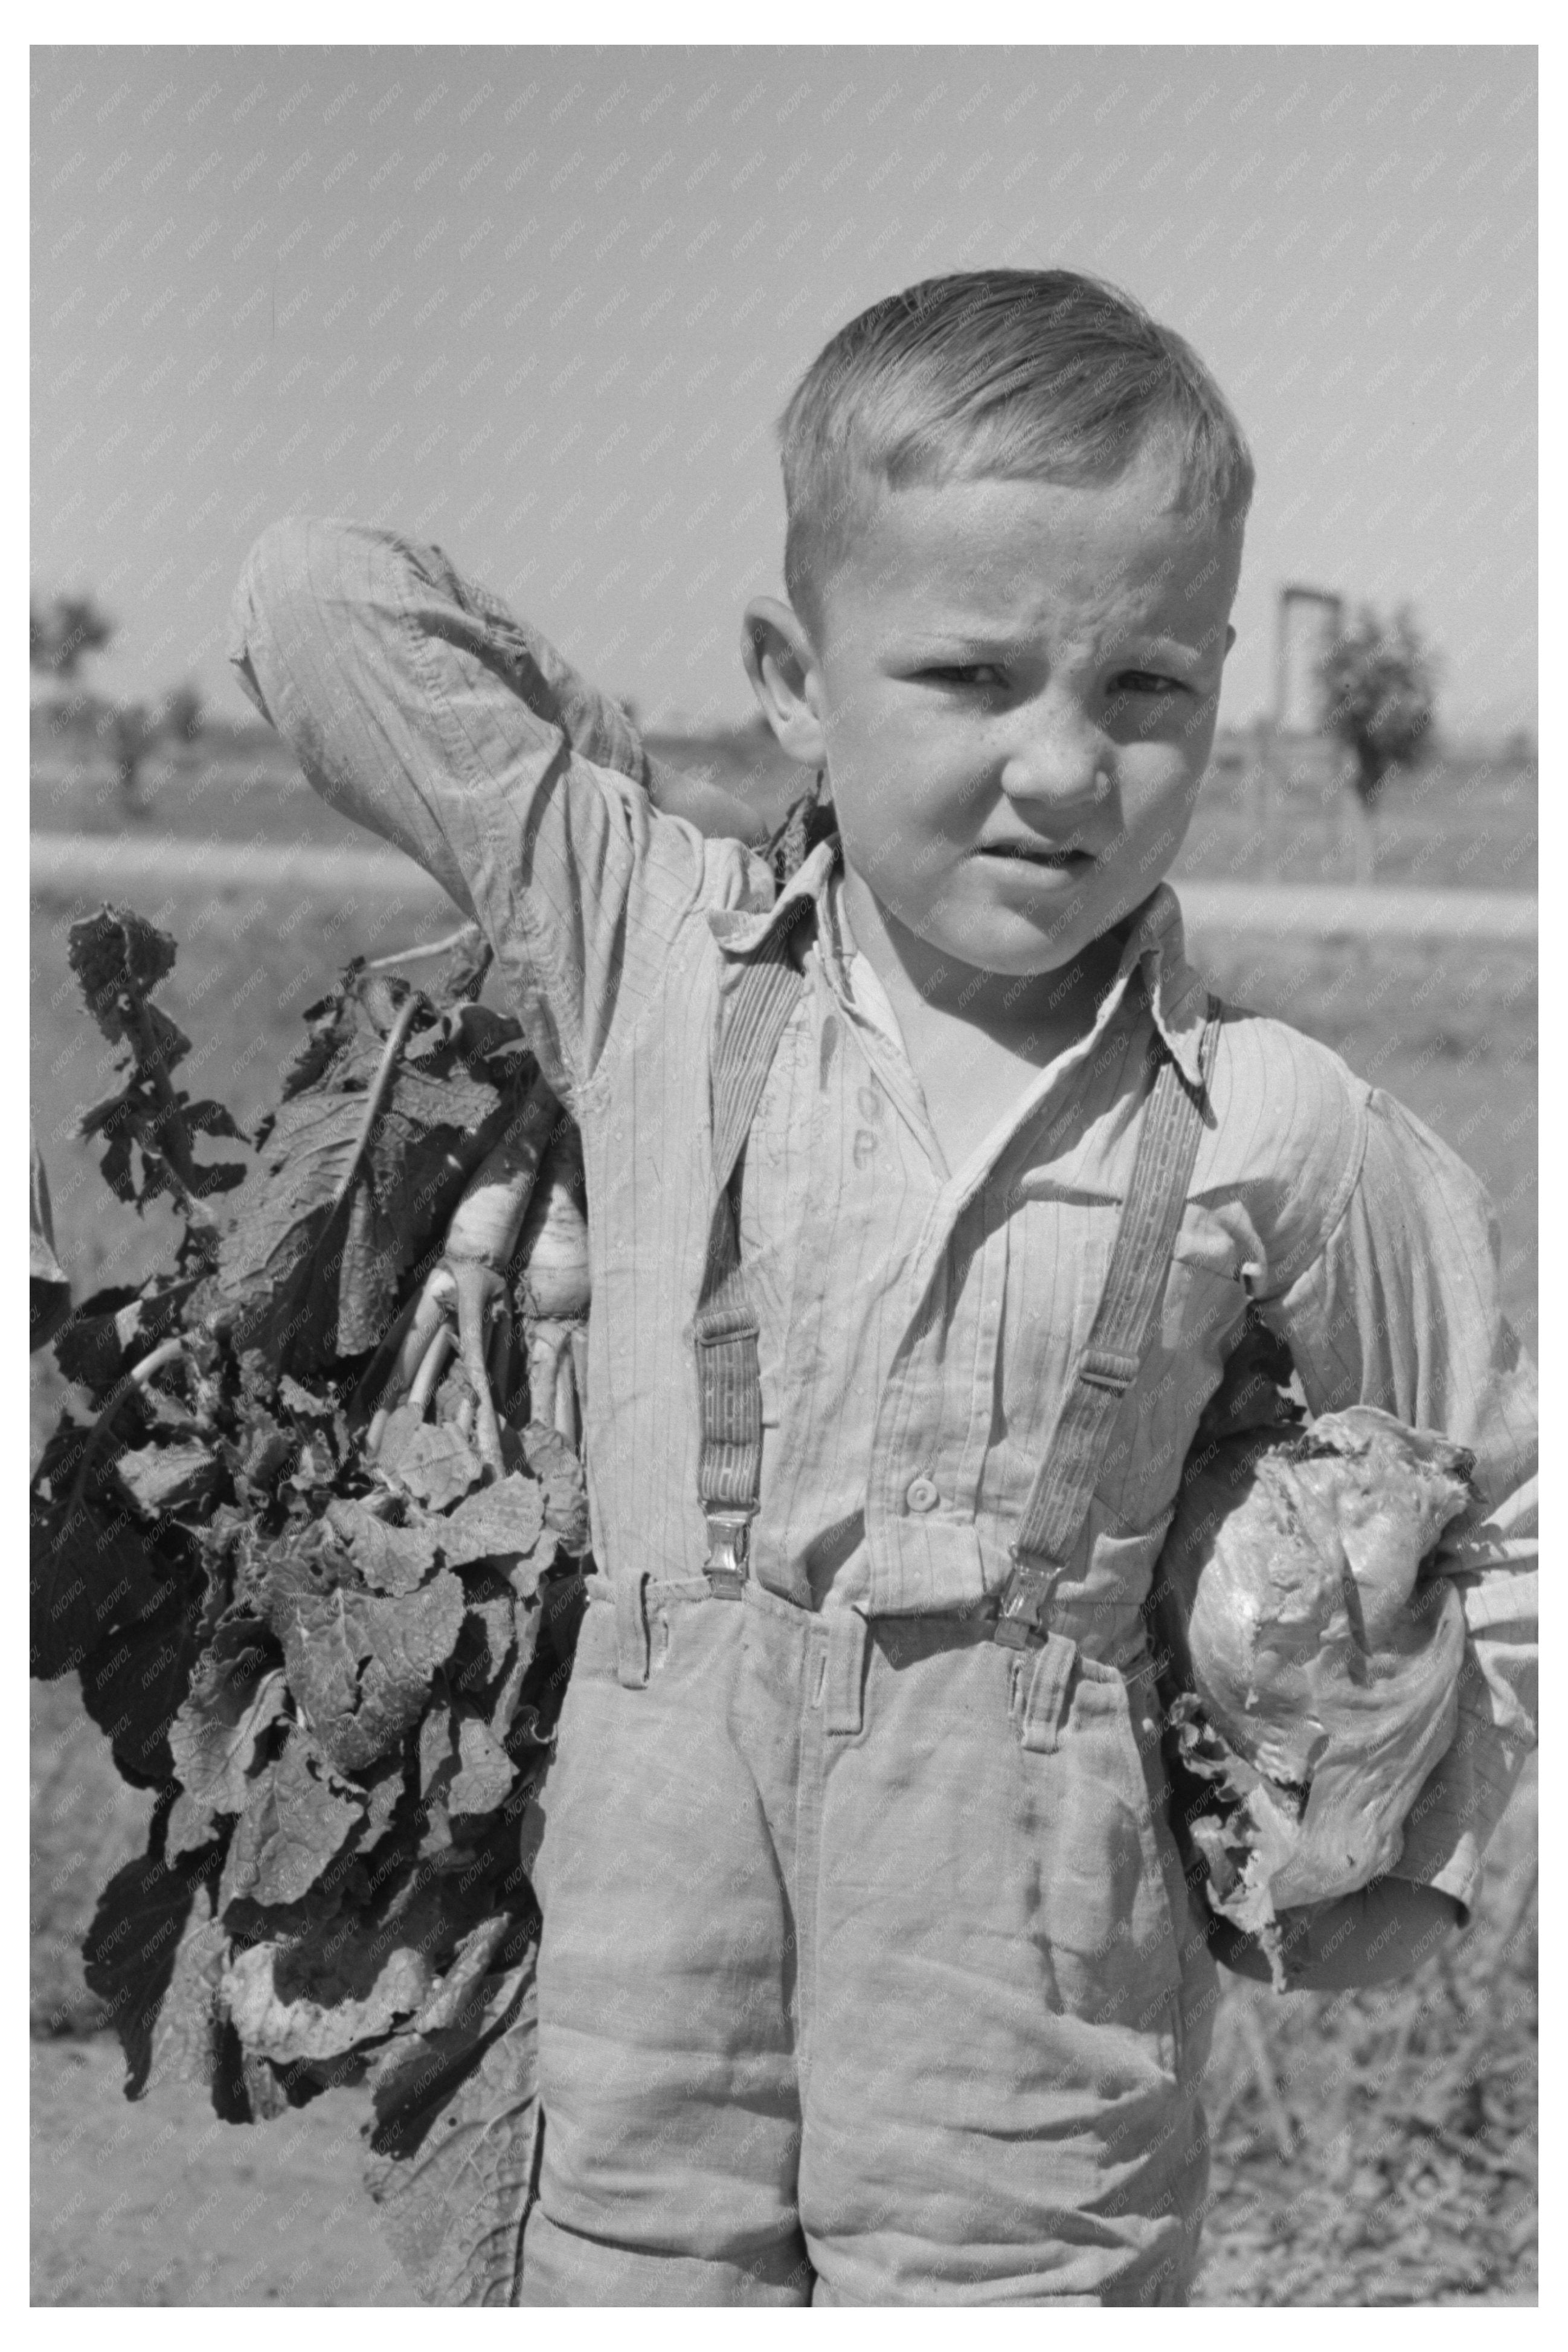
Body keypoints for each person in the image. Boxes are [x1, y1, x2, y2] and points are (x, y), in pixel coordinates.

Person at [228, 269, 1536, 2309]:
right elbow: (313, 606)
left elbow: (1490, 1472)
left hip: (1023, 1890)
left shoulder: (1278, 1119)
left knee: (1011, 2295)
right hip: (662, 1846)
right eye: (963, 674)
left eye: (1145, 691)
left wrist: (1409, 1819)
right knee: (637, 2281)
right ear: (792, 674)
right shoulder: (650, 944)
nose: (1061, 767)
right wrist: (607, 757)